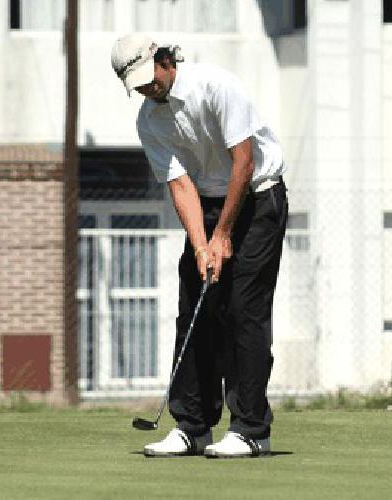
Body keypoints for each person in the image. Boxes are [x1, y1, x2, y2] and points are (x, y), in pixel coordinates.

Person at [110, 33, 288, 458]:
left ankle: (250, 429)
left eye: (147, 77)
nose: (146, 89)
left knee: (244, 310)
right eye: (135, 84)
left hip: (259, 199)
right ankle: (192, 426)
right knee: (195, 307)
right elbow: (180, 184)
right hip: (206, 206)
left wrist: (223, 234)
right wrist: (201, 245)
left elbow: (243, 163)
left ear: (165, 59)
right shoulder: (149, 121)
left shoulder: (216, 86)